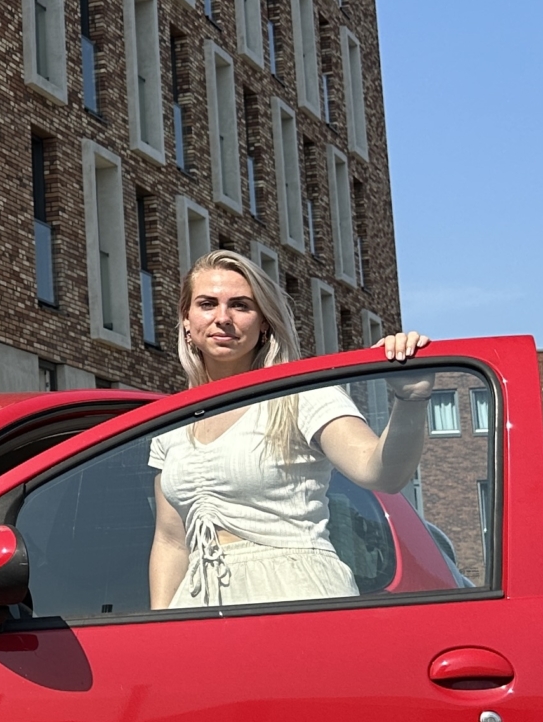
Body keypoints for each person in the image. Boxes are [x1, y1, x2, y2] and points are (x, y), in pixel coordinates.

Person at [146, 249, 432, 610]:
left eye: (240, 305)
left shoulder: (301, 395)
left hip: (293, 595)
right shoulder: (171, 422)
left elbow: (380, 472)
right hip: (198, 605)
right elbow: (171, 542)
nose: (223, 318)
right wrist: (159, 624)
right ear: (186, 320)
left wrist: (411, 400)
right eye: (207, 304)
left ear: (264, 321)